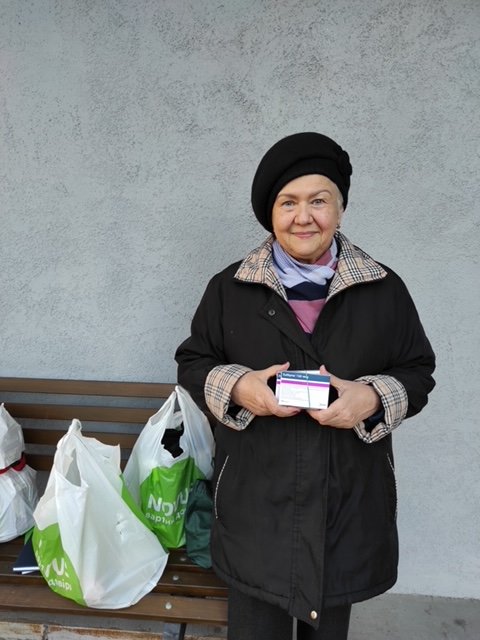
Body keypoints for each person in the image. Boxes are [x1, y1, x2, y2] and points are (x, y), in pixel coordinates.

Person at [175, 132, 436, 640]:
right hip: (256, 511)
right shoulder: (230, 289)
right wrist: (240, 387)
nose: (303, 217)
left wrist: (371, 397)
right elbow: (193, 362)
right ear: (270, 213)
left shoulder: (383, 289)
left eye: (319, 200)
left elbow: (418, 371)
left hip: (346, 510)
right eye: (288, 202)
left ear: (340, 208)